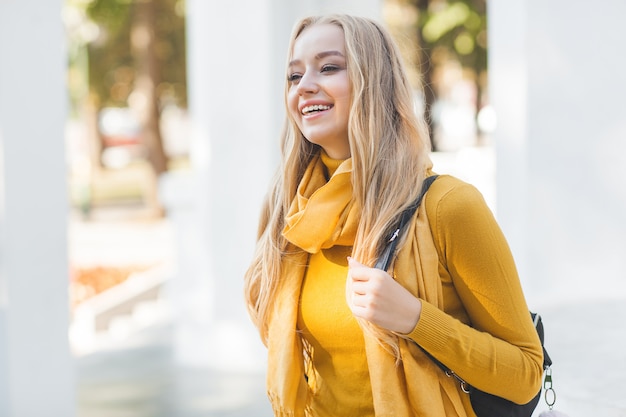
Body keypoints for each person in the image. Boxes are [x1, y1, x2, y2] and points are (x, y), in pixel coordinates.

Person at [244, 14, 544, 417]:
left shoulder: (449, 206)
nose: (305, 86)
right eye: (293, 76)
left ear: (374, 82)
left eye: (329, 67)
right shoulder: (292, 217)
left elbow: (526, 373)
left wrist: (416, 318)